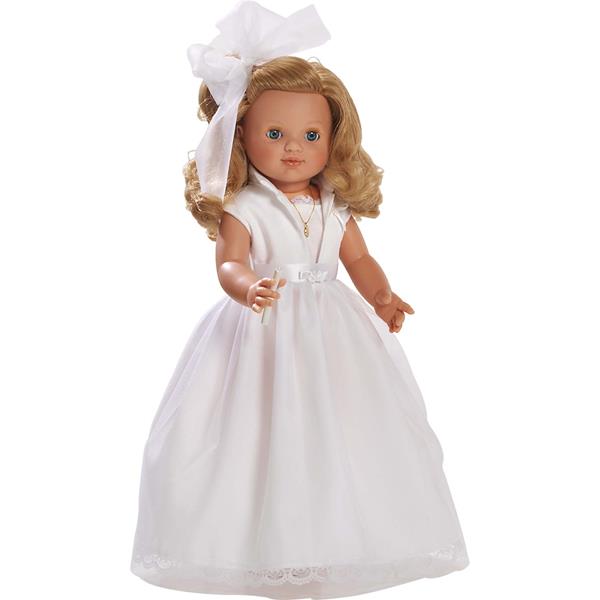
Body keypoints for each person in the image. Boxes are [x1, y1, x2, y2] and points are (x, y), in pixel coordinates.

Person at [130, 2, 469, 598]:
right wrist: (247, 286)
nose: (294, 148)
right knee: (260, 425)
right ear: (240, 134)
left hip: (333, 332)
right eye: (275, 134)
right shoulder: (245, 206)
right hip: (261, 329)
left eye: (311, 135)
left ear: (333, 138)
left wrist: (381, 294)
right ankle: (258, 543)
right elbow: (229, 263)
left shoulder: (335, 205)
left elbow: (357, 259)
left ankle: (337, 537)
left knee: (342, 423)